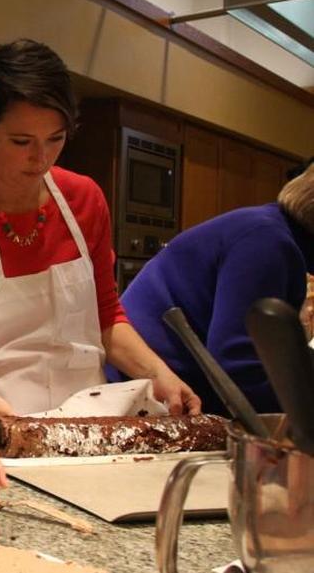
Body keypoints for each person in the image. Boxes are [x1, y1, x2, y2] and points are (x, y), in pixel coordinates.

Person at [0, 39, 202, 463]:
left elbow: (106, 316)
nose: (41, 158)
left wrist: (157, 372)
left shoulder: (84, 200)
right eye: (21, 142)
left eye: (55, 139)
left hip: (85, 432)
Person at [110, 163, 314, 414]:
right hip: (147, 397)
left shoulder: (272, 232)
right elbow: (240, 364)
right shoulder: (266, 243)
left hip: (171, 390)